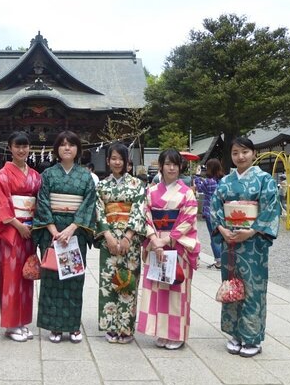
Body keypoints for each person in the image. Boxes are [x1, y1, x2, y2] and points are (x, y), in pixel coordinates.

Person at [211, 137, 280, 357]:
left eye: (244, 152)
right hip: (230, 241)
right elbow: (215, 207)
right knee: (232, 284)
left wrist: (251, 231)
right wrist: (222, 229)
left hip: (253, 243)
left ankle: (252, 337)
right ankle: (235, 334)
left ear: (253, 153)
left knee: (252, 288)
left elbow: (270, 208)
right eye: (235, 153)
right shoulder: (226, 181)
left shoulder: (264, 180)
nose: (240, 157)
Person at [32, 130, 96, 343]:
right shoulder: (48, 175)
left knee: (74, 279)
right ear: (56, 149)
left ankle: (73, 326)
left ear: (78, 149)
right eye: (63, 144)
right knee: (52, 278)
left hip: (75, 233)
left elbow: (88, 205)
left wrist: (70, 230)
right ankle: (54, 326)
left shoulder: (85, 176)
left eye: (71, 144)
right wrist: (53, 231)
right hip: (52, 233)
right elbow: (42, 203)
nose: (67, 148)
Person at [137, 148, 200, 350]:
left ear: (180, 166)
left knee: (176, 290)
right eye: (167, 163)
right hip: (156, 243)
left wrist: (165, 240)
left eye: (175, 163)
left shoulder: (187, 192)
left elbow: (188, 219)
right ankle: (161, 332)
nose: (171, 167)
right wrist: (153, 238)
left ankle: (176, 334)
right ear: (161, 166)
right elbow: (145, 215)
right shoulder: (151, 191)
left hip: (176, 246)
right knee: (158, 288)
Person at [0, 131, 42, 342]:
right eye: (17, 146)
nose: (21, 150)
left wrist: (34, 225)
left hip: (29, 231)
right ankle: (11, 324)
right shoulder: (2, 175)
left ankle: (22, 321)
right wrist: (17, 224)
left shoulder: (36, 176)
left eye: (25, 146)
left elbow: (40, 202)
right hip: (12, 231)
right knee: (11, 276)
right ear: (9, 148)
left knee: (26, 275)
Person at [94, 143, 146, 344]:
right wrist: (107, 235)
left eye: (120, 158)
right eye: (113, 158)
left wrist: (127, 236)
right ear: (107, 161)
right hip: (109, 239)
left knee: (128, 283)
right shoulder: (101, 185)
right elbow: (99, 210)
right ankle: (111, 326)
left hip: (129, 241)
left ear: (127, 162)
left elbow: (139, 210)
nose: (116, 162)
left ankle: (126, 328)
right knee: (109, 282)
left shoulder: (137, 185)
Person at [194, 158, 224, 269]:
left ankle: (219, 261)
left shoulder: (208, 181)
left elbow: (199, 188)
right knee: (221, 235)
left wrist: (197, 176)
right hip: (221, 212)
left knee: (213, 237)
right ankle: (224, 259)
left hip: (209, 211)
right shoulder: (222, 181)